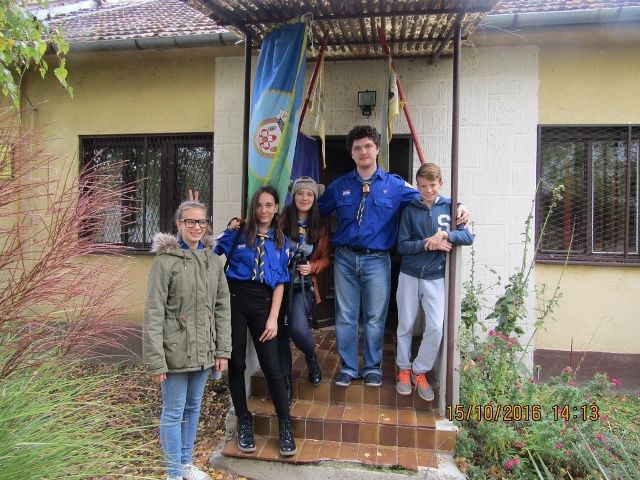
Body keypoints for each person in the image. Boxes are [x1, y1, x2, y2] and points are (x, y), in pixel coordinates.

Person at [318, 125, 469, 388]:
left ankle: (372, 367)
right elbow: (314, 209)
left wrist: (457, 205)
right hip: (344, 259)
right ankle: (349, 367)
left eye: (368, 146)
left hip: (377, 260)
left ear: (377, 149)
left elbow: (428, 196)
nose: (363, 152)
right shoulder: (339, 185)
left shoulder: (395, 185)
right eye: (357, 148)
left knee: (375, 317)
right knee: (346, 316)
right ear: (351, 153)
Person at [143, 200, 231, 480]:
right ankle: (173, 473)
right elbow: (154, 312)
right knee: (173, 411)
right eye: (190, 221)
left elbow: (222, 307)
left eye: (201, 222)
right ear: (179, 224)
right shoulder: (165, 262)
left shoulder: (212, 261)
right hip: (174, 352)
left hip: (204, 350)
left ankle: (185, 465)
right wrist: (156, 361)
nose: (196, 227)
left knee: (193, 408)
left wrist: (222, 350)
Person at [214, 186, 297, 456]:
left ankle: (285, 424)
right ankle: (243, 419)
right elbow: (206, 253)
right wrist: (195, 227)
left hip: (264, 305)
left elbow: (281, 282)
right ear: (253, 207)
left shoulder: (282, 241)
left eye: (269, 205)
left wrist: (273, 318)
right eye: (259, 205)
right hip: (235, 302)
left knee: (272, 366)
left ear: (276, 208)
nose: (263, 210)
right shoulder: (236, 234)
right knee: (237, 362)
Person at [395, 163, 474, 401]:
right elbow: (402, 246)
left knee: (436, 327)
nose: (428, 190)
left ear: (441, 184)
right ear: (417, 186)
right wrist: (428, 243)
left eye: (432, 185)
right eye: (423, 186)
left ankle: (419, 370)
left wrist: (445, 234)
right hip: (409, 274)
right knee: (405, 324)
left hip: (435, 276)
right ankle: (403, 368)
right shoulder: (410, 210)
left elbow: (468, 236)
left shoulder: (451, 208)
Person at [277, 177, 331, 403]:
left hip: (302, 285)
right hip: (277, 283)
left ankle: (311, 357)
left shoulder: (319, 227)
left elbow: (326, 258)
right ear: (294, 196)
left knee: (298, 328)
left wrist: (312, 266)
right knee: (280, 335)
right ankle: (285, 380)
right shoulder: (280, 221)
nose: (305, 197)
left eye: (309, 194)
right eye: (300, 193)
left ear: (314, 198)